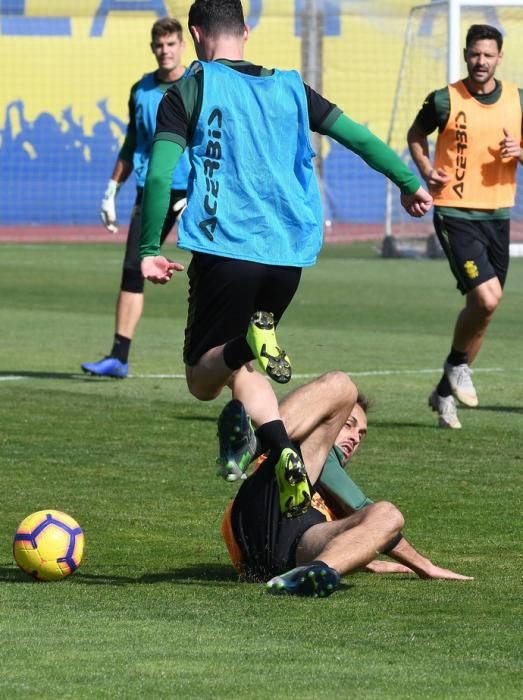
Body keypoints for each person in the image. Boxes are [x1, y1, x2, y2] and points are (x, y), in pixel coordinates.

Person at [139, 0, 433, 518]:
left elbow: (161, 175)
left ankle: (248, 354)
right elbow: (359, 137)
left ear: (195, 33)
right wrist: (409, 182)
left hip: (225, 248)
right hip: (287, 258)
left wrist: (147, 250)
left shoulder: (189, 88)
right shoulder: (292, 88)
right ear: (246, 33)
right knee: (245, 362)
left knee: (201, 380)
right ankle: (281, 451)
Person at [220, 373, 473, 597]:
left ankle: (313, 572)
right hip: (263, 516)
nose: (354, 437)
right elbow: (358, 504)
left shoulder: (332, 494)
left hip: (293, 551)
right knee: (341, 385)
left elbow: (357, 528)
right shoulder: (302, 448)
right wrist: (422, 564)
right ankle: (253, 445)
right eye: (348, 425)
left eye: (361, 434)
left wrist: (362, 554)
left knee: (389, 515)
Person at [407, 24, 523, 429]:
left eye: (488, 55)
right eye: (475, 54)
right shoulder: (445, 99)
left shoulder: (517, 100)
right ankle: (457, 366)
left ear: (500, 58)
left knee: (483, 310)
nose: (481, 61)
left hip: (498, 215)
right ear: (465, 54)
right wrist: (426, 169)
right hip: (455, 212)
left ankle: (443, 393)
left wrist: (519, 151)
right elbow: (416, 134)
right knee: (488, 300)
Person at [82, 17, 189, 379]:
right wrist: (111, 191)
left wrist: (204, 187)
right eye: (160, 45)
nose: (165, 51)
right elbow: (132, 143)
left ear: (182, 46)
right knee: (133, 266)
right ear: (152, 48)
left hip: (193, 191)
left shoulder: (197, 86)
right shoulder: (141, 91)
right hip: (151, 189)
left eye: (171, 44)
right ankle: (119, 356)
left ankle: (227, 355)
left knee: (216, 268)